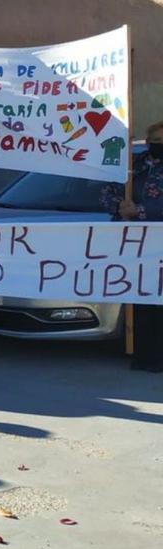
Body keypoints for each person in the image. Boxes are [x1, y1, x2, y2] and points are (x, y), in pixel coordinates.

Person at [102, 121, 163, 372]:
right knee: (141, 300)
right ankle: (144, 354)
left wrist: (139, 210)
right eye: (155, 142)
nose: (158, 146)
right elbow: (108, 190)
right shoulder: (133, 166)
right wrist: (119, 207)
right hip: (134, 246)